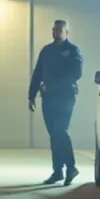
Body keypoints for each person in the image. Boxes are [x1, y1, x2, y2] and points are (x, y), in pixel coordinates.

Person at [28, 19, 84, 185]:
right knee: (54, 134)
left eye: (59, 30)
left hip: (65, 97)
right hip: (48, 98)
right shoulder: (46, 51)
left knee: (61, 131)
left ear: (66, 32)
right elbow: (38, 73)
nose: (56, 32)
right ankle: (58, 171)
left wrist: (55, 84)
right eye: (54, 30)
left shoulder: (73, 50)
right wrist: (31, 95)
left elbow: (76, 73)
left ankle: (71, 167)